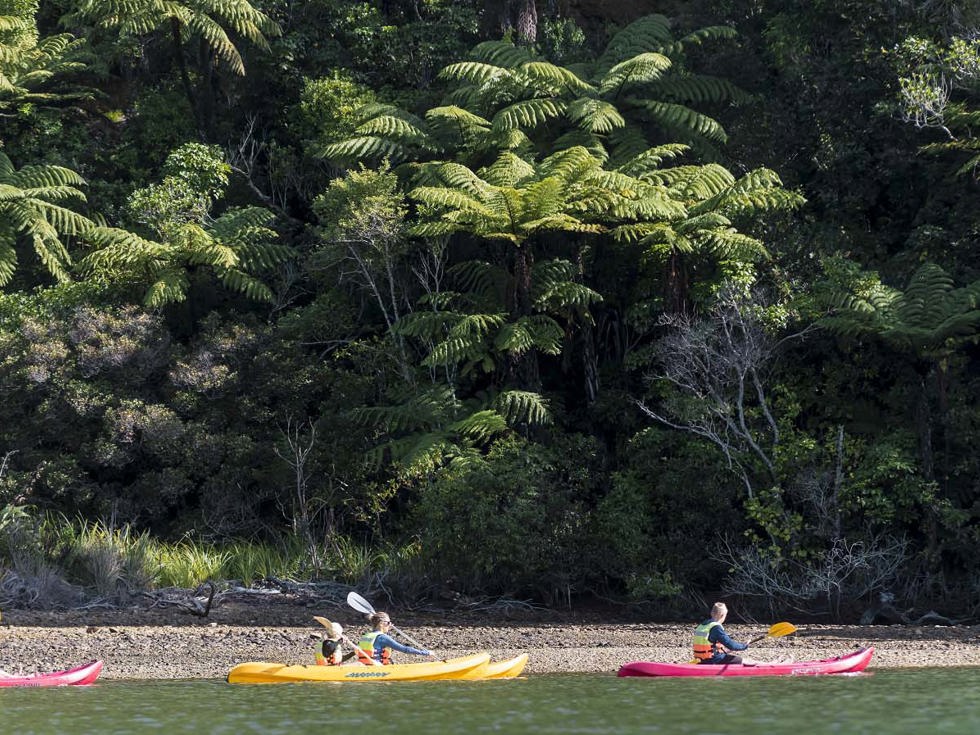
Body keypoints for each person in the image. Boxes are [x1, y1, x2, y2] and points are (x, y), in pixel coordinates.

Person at [692, 601, 758, 665]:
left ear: (712, 613)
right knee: (741, 660)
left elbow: (711, 644)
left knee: (726, 655)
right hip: (713, 660)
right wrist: (744, 646)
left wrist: (724, 650)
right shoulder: (716, 627)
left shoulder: (702, 625)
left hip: (700, 659)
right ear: (722, 615)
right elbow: (731, 645)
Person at [358, 611, 432, 664]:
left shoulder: (366, 636)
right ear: (381, 624)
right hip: (376, 667)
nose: (390, 625)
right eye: (388, 622)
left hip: (364, 666)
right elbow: (405, 649)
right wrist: (426, 653)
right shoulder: (382, 638)